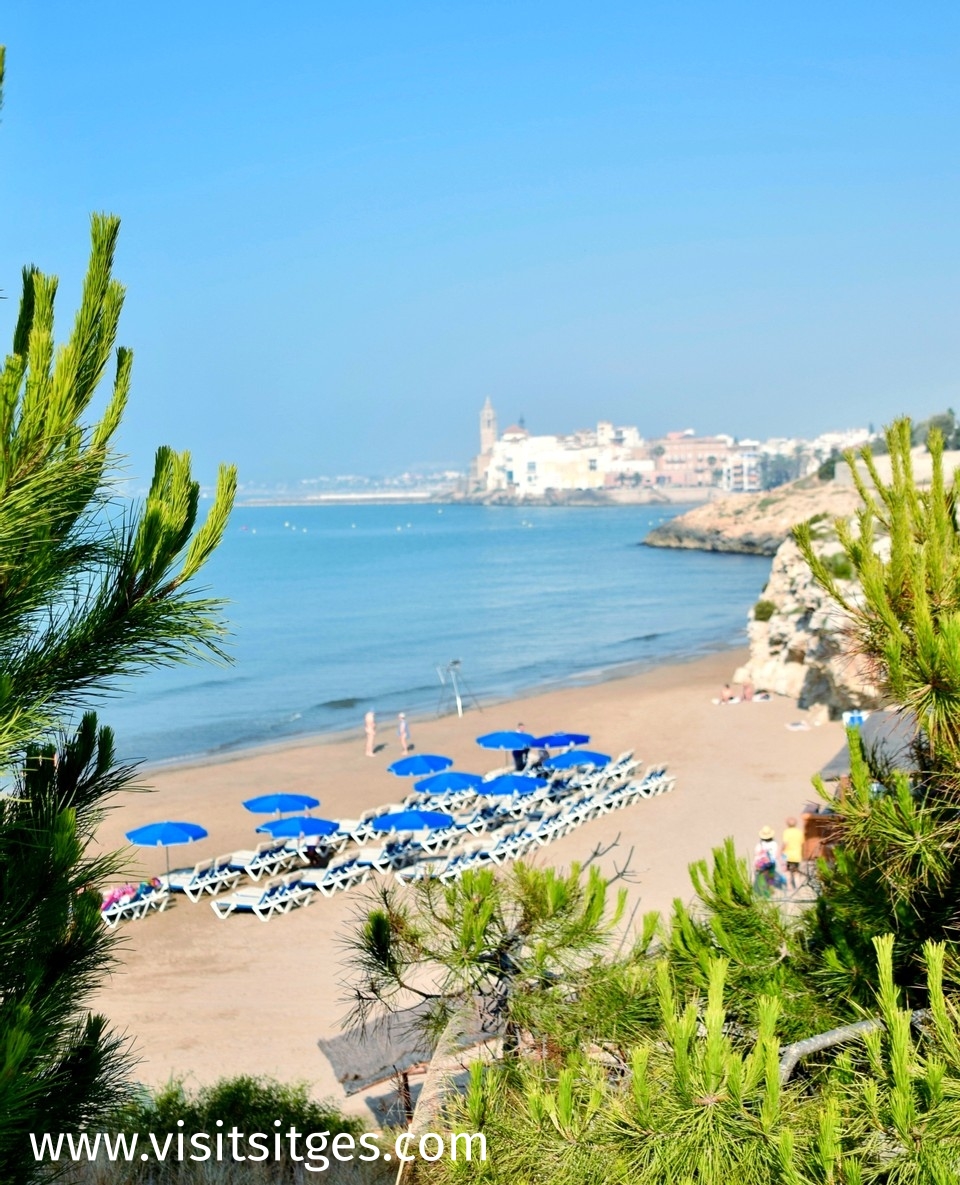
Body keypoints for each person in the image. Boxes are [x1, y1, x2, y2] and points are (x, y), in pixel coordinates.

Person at [753, 825, 781, 896]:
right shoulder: (774, 844)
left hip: (762, 864)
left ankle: (761, 892)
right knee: (770, 878)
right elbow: (776, 855)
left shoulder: (760, 844)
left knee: (761, 878)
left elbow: (756, 854)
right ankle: (770, 892)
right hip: (771, 864)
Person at [782, 816, 804, 890]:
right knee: (796, 871)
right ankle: (798, 885)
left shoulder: (786, 832)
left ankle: (789, 886)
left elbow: (785, 843)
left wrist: (781, 851)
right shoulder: (799, 832)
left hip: (788, 855)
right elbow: (802, 843)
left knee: (788, 871)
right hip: (797, 855)